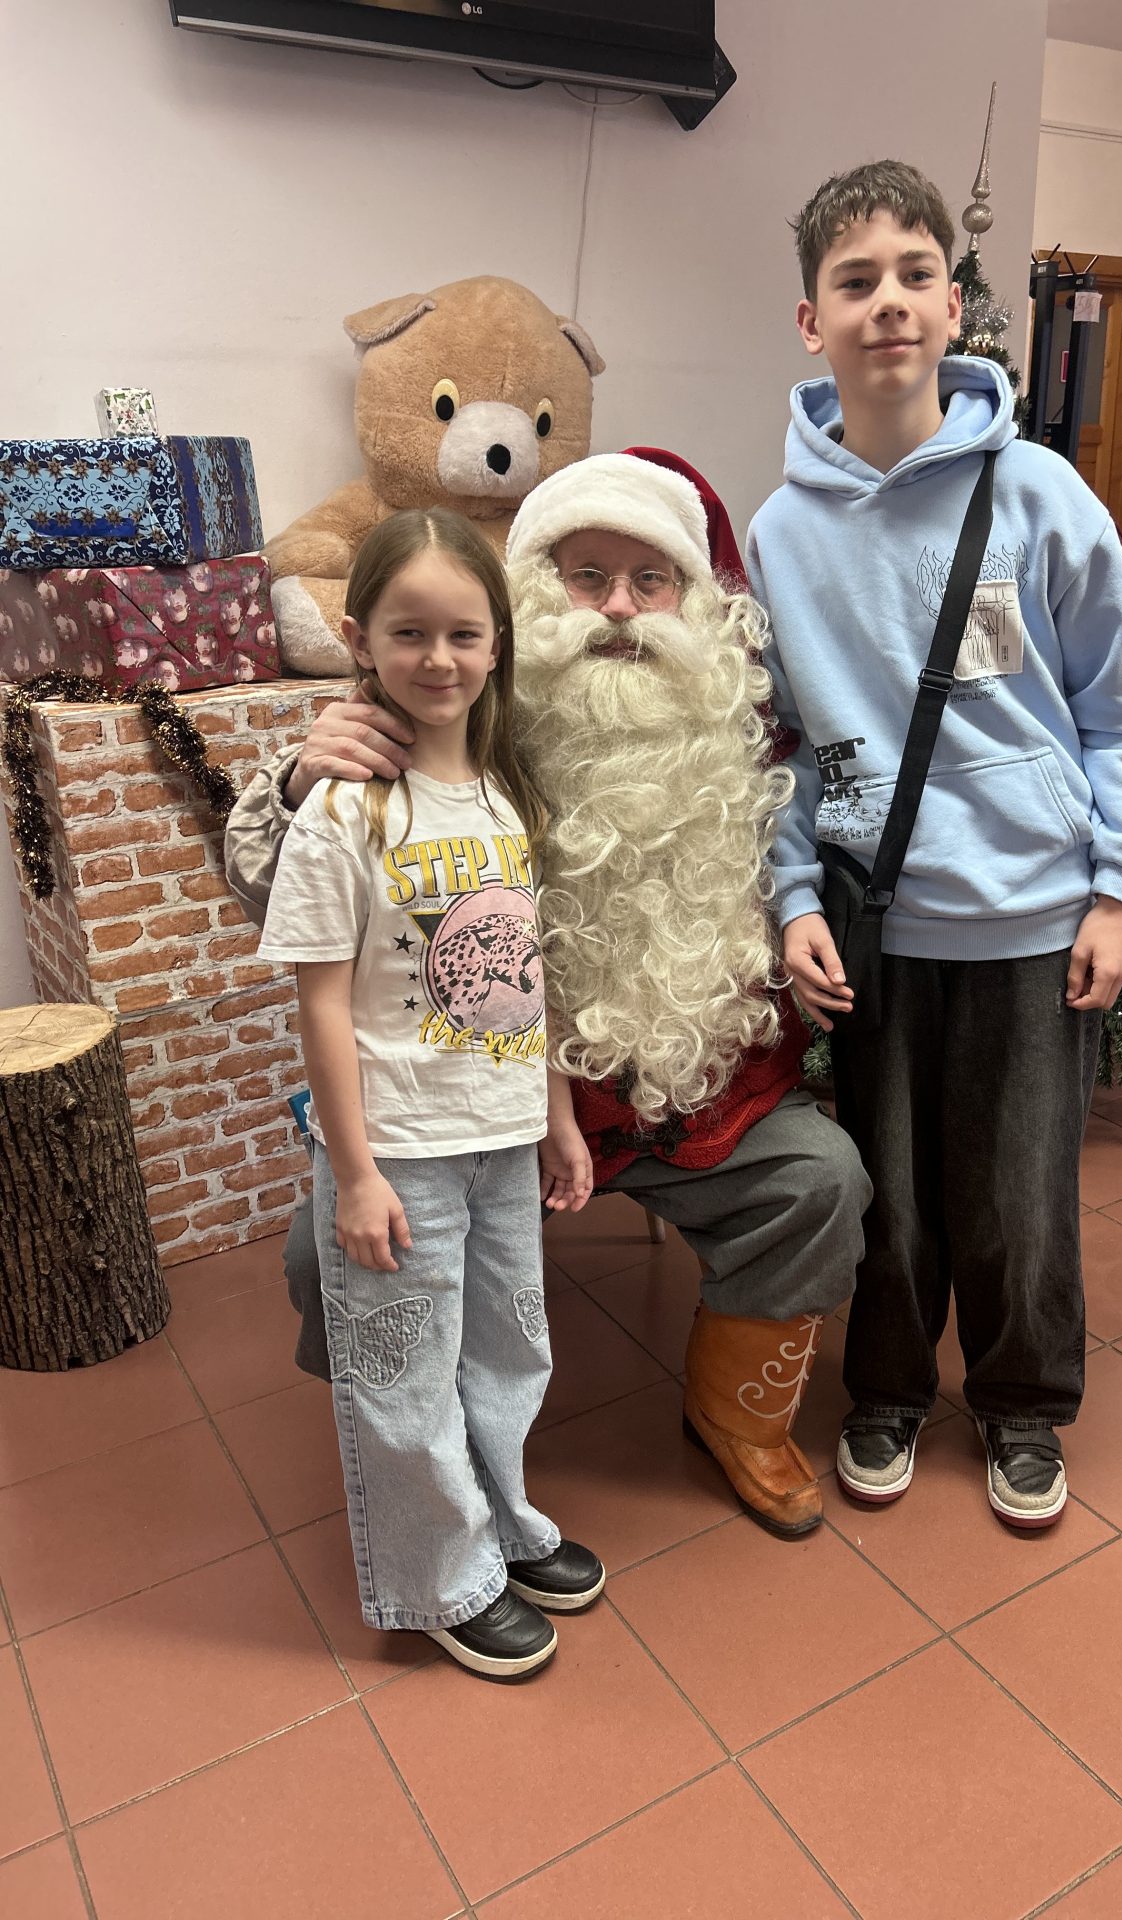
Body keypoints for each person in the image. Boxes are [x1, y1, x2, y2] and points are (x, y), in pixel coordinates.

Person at [226, 452, 870, 1541]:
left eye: (650, 579)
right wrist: (297, 780)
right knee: (318, 1254)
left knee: (819, 1181)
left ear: (694, 603)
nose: (617, 608)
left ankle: (738, 1417)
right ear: (529, 598)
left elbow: (810, 847)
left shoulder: (732, 736)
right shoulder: (447, 721)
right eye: (587, 575)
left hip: (699, 1096)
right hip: (479, 1109)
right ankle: (419, 1452)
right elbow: (280, 893)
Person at [746, 161, 1122, 1527]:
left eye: (914, 275)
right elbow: (777, 744)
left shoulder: (1040, 495)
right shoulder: (781, 532)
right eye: (855, 281)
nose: (888, 303)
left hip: (1037, 917)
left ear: (952, 306)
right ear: (811, 320)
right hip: (878, 924)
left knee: (1023, 1196)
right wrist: (794, 898)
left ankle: (1021, 1402)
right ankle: (884, 1389)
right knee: (889, 1194)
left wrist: (1117, 891)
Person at [255, 507, 604, 1681]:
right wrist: (352, 1175)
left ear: (498, 642)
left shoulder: (509, 798)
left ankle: (502, 1523)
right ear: (360, 640)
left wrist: (557, 1118)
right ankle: (440, 1579)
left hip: (501, 1135)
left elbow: (529, 975)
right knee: (403, 1370)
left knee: (508, 1351)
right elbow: (320, 1007)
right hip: (398, 1149)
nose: (439, 658)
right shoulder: (342, 812)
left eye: (463, 633)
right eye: (409, 632)